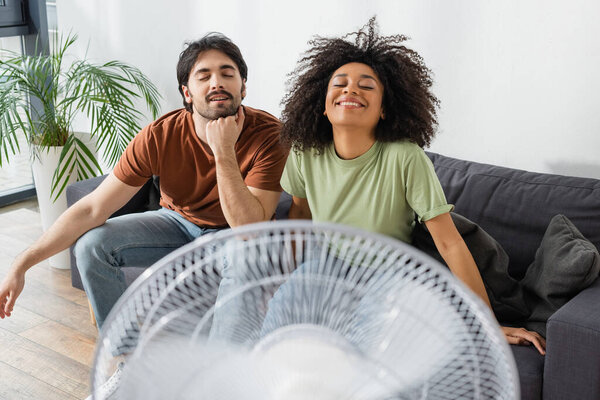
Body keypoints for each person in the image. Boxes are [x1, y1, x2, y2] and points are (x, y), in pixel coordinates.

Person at [276, 17, 546, 354]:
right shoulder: (305, 152)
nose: (350, 90)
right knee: (278, 328)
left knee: (364, 350)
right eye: (340, 83)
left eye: (366, 85)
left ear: (385, 110)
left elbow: (449, 243)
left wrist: (487, 322)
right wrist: (287, 280)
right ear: (322, 105)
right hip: (326, 265)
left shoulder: (406, 157)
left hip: (389, 273)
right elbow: (298, 219)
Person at [0, 32, 288, 332]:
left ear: (242, 87)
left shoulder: (269, 135)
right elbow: (92, 209)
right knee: (91, 246)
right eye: (204, 76)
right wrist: (22, 264)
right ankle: (126, 356)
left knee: (247, 259)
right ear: (187, 92)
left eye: (227, 74)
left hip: (234, 238)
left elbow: (248, 230)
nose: (216, 82)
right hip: (176, 224)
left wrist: (223, 150)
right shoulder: (159, 136)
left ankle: (221, 371)